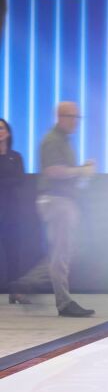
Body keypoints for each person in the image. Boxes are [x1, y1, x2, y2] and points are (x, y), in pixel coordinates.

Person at [11, 103, 96, 317]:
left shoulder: (62, 141)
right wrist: (81, 170)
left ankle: (27, 284)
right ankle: (63, 302)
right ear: (61, 116)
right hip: (57, 202)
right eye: (73, 116)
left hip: (62, 201)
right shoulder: (52, 140)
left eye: (78, 117)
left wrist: (80, 172)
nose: (76, 121)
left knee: (64, 251)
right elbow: (53, 171)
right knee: (61, 253)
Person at [0, 118, 26, 304]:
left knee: (13, 252)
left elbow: (20, 179)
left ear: (8, 132)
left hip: (11, 210)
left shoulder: (15, 157)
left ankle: (15, 291)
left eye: (2, 128)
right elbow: (12, 180)